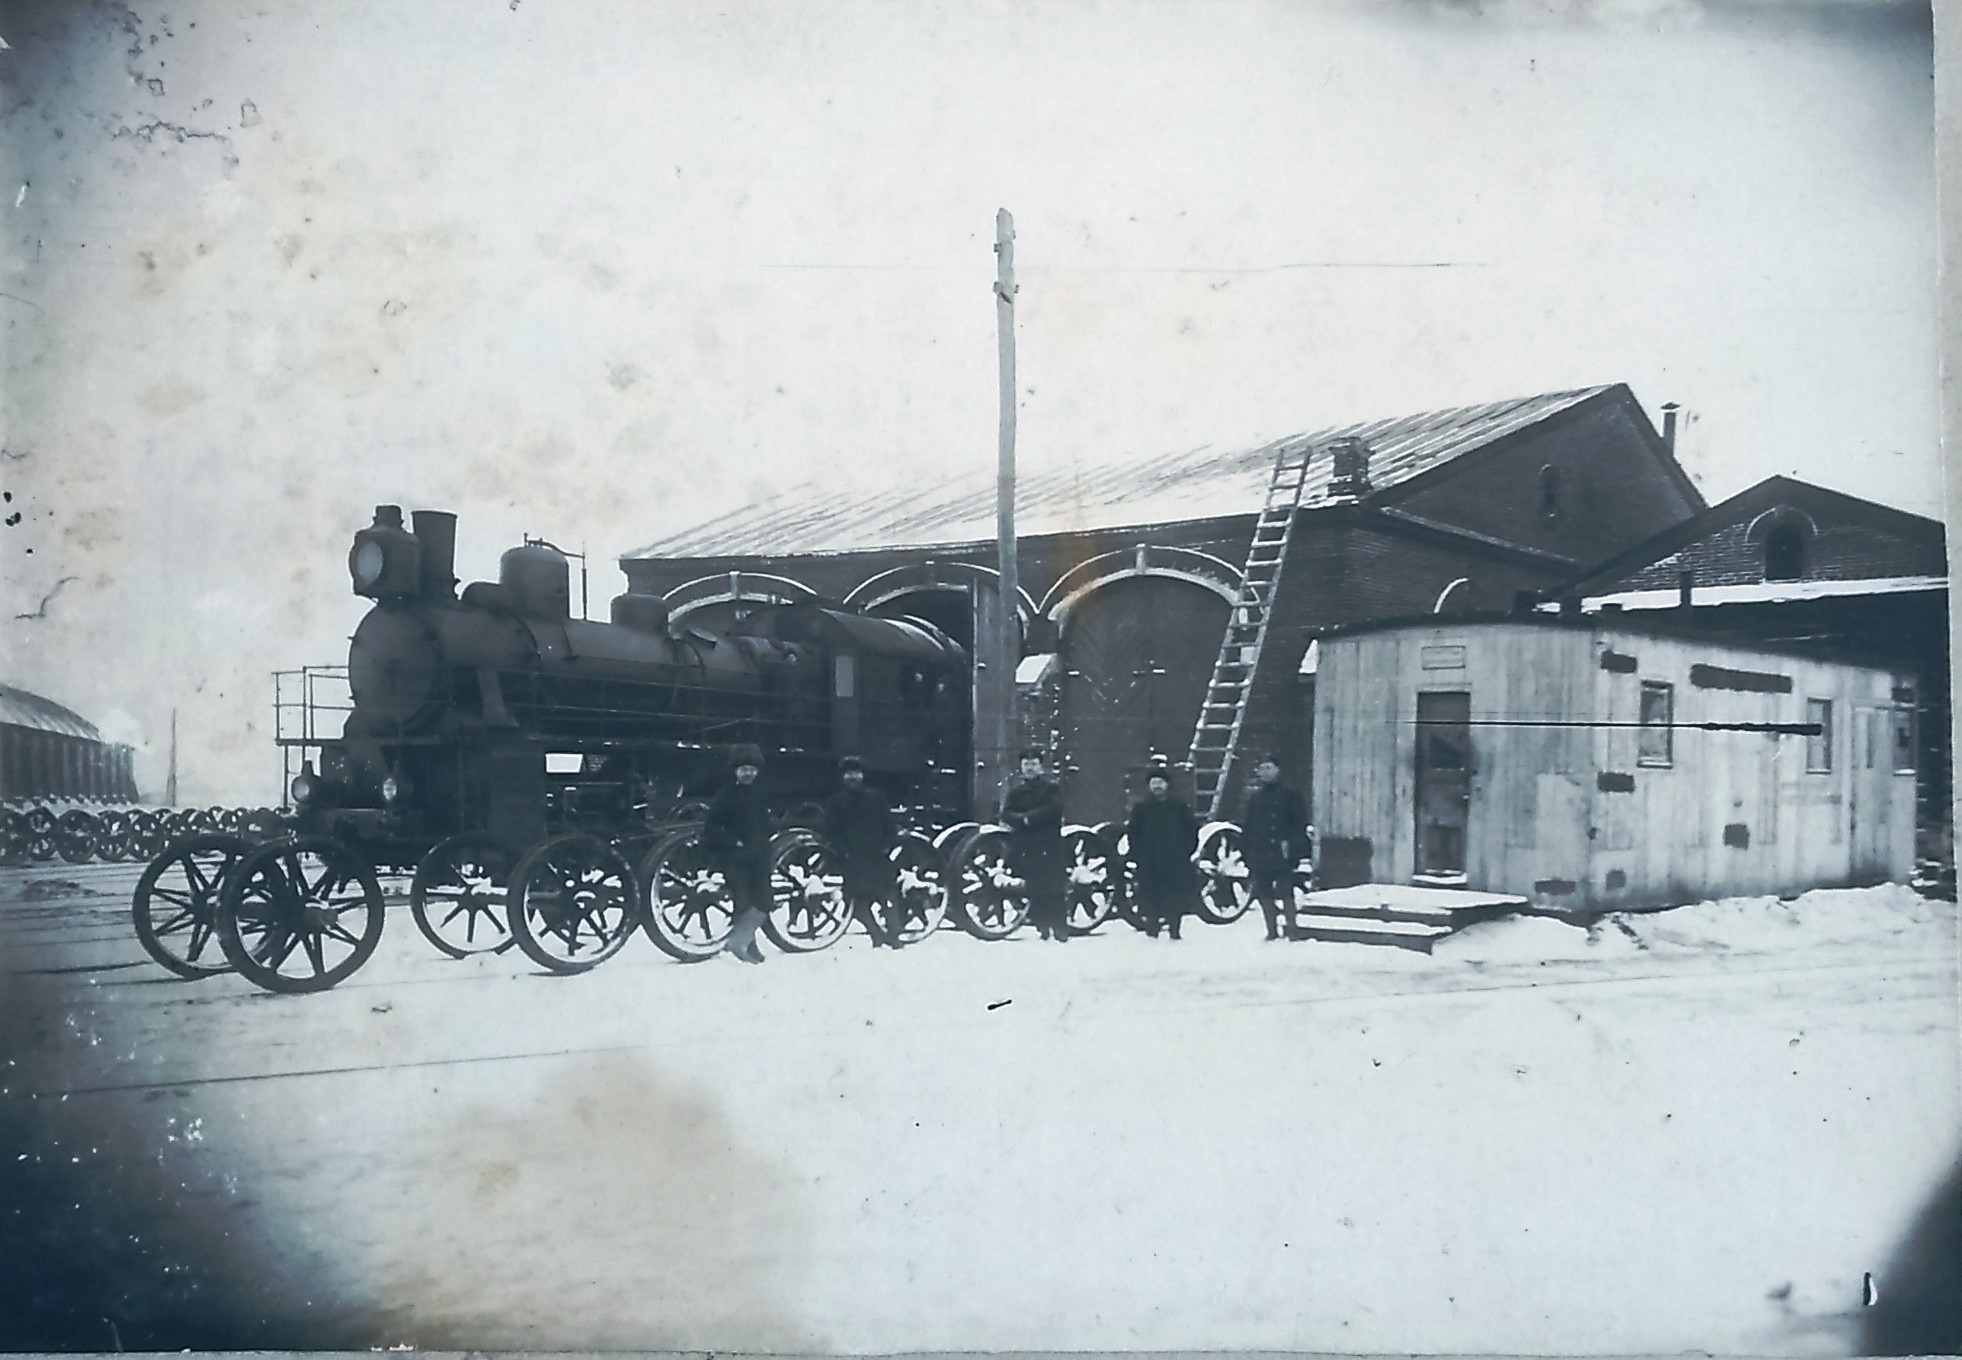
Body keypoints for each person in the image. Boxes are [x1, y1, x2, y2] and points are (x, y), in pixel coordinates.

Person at [702, 743, 772, 964]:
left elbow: (765, 823)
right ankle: (743, 946)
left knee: (762, 902)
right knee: (743, 901)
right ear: (735, 771)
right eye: (743, 769)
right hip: (736, 858)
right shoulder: (725, 796)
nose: (748, 773)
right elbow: (711, 827)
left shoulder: (760, 794)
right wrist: (734, 841)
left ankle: (744, 941)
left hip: (759, 857)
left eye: (752, 769)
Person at [822, 755, 902, 947]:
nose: (853, 778)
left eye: (856, 773)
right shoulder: (835, 802)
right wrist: (843, 852)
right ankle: (876, 934)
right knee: (858, 904)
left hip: (877, 856)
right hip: (853, 859)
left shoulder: (876, 797)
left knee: (888, 898)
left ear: (863, 775)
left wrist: (888, 844)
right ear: (842, 777)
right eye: (849, 774)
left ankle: (894, 935)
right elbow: (830, 832)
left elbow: (888, 824)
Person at [1125, 757, 1199, 940]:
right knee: (1150, 896)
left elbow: (1191, 831)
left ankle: (1175, 929)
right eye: (1153, 783)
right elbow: (1133, 833)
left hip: (1174, 860)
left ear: (1167, 785)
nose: (1157, 786)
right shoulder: (1141, 809)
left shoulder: (1179, 807)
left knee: (1174, 895)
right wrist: (1139, 855)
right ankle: (1152, 928)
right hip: (1149, 861)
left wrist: (1184, 852)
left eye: (1160, 782)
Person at [999, 747, 1068, 942]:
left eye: (1034, 764)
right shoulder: (1016, 792)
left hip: (1049, 846)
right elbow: (1006, 813)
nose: (1029, 768)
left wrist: (1030, 818)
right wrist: (1020, 819)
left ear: (1040, 767)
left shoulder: (1051, 788)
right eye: (1026, 764)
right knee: (1035, 889)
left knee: (1054, 889)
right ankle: (1042, 927)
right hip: (1027, 848)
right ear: (1021, 767)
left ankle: (1060, 929)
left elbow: (1055, 809)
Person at [1242, 755, 1308, 941]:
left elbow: (1299, 823)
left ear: (1278, 770)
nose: (1265, 772)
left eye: (1269, 768)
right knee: (1264, 891)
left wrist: (1294, 848)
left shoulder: (1290, 794)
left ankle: (1292, 929)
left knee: (1285, 890)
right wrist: (1246, 851)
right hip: (1260, 852)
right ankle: (1271, 930)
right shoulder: (1256, 797)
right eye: (1262, 769)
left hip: (1282, 851)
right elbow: (1249, 825)